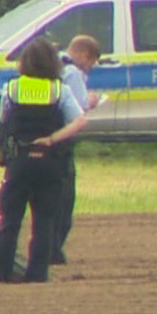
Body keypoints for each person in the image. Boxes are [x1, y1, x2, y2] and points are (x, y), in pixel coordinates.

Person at [0, 38, 87, 283]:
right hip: (50, 163)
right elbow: (80, 120)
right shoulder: (58, 89)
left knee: (10, 221)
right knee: (43, 222)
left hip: (19, 161)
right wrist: (52, 138)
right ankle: (38, 275)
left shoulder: (12, 89)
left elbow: (2, 119)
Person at [52, 34, 105, 265]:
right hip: (62, 141)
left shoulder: (51, 63)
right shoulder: (72, 73)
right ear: (85, 55)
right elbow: (77, 109)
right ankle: (53, 252)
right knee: (64, 203)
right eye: (91, 62)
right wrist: (92, 101)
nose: (90, 68)